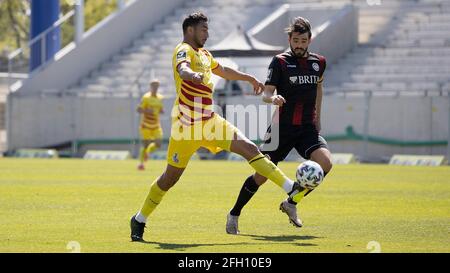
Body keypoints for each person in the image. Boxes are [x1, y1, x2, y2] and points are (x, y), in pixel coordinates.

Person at [130, 12, 305, 242]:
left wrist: (249, 78)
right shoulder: (183, 50)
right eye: (204, 29)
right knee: (169, 179)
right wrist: (193, 75)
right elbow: (183, 69)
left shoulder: (204, 54)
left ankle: (290, 187)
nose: (208, 33)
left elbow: (222, 70)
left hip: (210, 120)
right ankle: (140, 218)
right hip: (186, 127)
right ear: (190, 30)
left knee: (250, 148)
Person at [226, 17, 333, 235]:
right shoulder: (280, 62)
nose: (299, 45)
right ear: (289, 39)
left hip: (307, 128)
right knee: (260, 176)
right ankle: (234, 214)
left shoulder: (319, 62)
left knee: (325, 164)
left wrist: (318, 117)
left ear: (310, 40)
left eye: (303, 40)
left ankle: (292, 202)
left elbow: (319, 90)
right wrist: (272, 99)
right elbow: (266, 92)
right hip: (280, 129)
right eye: (296, 40)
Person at [137, 79, 165, 171]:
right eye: (154, 85)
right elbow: (139, 109)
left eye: (157, 86)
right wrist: (146, 111)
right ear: (151, 86)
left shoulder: (160, 98)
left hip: (156, 125)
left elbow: (160, 109)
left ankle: (147, 153)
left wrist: (161, 111)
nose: (155, 87)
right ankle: (141, 164)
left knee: (158, 143)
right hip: (146, 125)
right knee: (145, 145)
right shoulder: (146, 97)